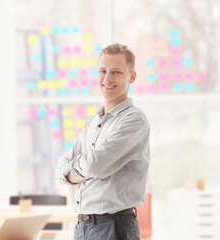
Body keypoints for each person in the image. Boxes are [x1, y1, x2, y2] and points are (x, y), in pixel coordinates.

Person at [56, 43, 150, 240]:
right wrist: (85, 168)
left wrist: (78, 170)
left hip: (113, 226)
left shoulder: (133, 120)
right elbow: (60, 170)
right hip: (83, 226)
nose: (108, 78)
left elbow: (96, 165)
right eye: (103, 71)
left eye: (116, 72)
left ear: (132, 77)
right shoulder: (93, 122)